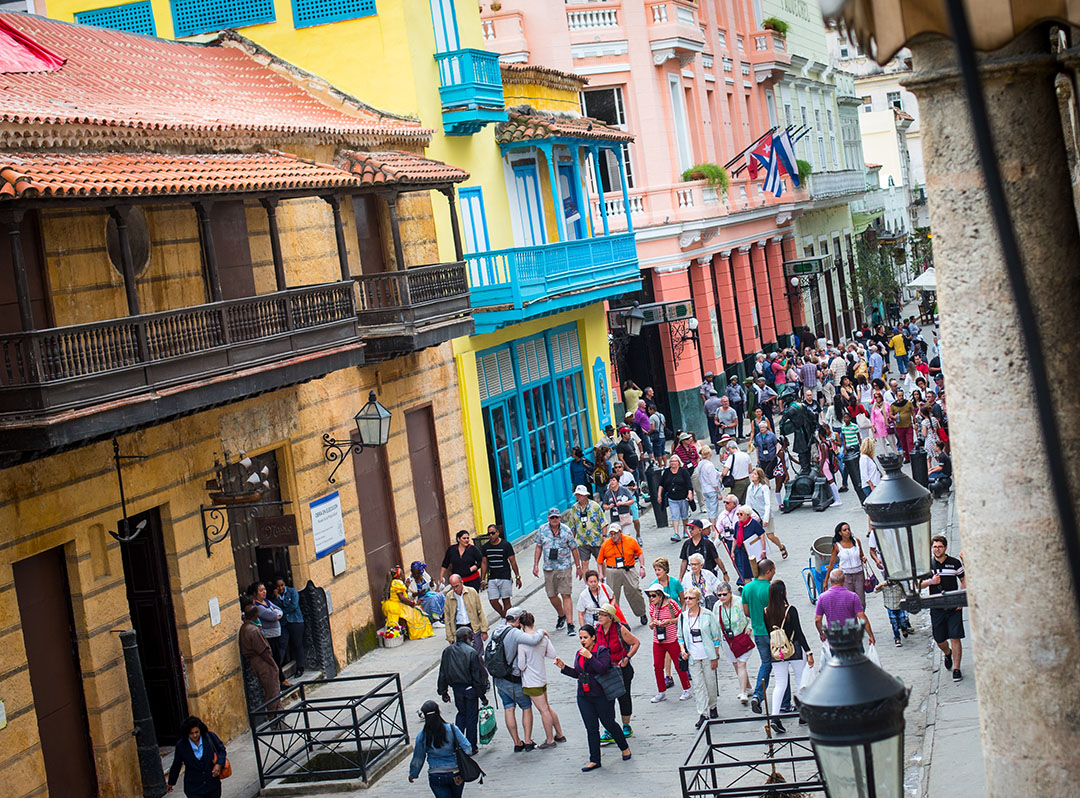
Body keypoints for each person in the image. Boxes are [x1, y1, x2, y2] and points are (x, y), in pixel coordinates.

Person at [554, 624, 632, 771]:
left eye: (585, 637)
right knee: (591, 728)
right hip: (584, 695)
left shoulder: (601, 651)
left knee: (609, 723)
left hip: (601, 694)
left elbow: (602, 669)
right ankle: (594, 759)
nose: (583, 641)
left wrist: (590, 657)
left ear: (593, 638)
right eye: (581, 638)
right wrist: (564, 667)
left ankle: (624, 747)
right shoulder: (579, 653)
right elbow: (578, 673)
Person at [491, 607, 546, 752]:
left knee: (508, 708)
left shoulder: (496, 630)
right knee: (526, 707)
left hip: (499, 678)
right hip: (512, 678)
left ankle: (516, 742)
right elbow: (534, 639)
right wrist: (542, 632)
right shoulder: (514, 633)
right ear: (517, 619)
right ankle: (527, 741)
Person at [762, 580, 813, 732]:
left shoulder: (766, 612)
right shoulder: (790, 610)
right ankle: (803, 714)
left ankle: (775, 716)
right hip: (795, 648)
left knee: (780, 684)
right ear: (783, 593)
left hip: (777, 651)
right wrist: (809, 651)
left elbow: (768, 632)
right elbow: (799, 632)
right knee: (800, 680)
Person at [514, 611, 565, 749]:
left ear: (522, 625)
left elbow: (521, 665)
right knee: (547, 707)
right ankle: (559, 733)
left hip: (531, 681)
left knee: (543, 710)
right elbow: (552, 654)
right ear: (533, 623)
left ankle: (549, 740)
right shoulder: (543, 638)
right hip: (542, 677)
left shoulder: (523, 642)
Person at [920, 536, 966, 681]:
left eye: (940, 546)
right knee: (939, 638)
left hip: (953, 605)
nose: (937, 549)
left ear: (945, 548)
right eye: (935, 547)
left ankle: (957, 669)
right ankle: (947, 653)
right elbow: (917, 584)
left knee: (955, 636)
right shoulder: (927, 565)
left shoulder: (954, 563)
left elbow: (963, 579)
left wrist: (961, 598)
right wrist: (930, 582)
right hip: (937, 606)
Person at [677, 586, 723, 728]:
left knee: (710, 683)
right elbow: (680, 636)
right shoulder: (683, 616)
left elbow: (716, 635)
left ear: (698, 600)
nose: (688, 601)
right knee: (697, 685)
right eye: (686, 598)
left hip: (707, 654)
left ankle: (713, 705)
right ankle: (703, 713)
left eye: (691, 598)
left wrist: (715, 654)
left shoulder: (708, 615)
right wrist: (682, 650)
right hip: (692, 656)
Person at [595, 603, 640, 743]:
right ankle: (610, 728)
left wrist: (627, 658)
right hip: (605, 669)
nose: (600, 617)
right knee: (607, 700)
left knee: (624, 696)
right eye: (599, 614)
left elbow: (636, 643)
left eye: (603, 614)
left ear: (610, 617)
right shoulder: (597, 630)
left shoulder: (620, 629)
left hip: (621, 668)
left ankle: (626, 725)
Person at [408, 700, 472, 798]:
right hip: (455, 772)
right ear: (439, 712)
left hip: (436, 774)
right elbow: (468, 748)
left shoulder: (422, 736)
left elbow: (418, 757)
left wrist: (413, 774)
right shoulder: (452, 729)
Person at [437, 627, 489, 749]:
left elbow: (442, 673)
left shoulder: (448, 651)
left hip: (457, 689)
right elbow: (477, 677)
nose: (472, 638)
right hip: (470, 689)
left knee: (461, 715)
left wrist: (443, 691)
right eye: (471, 636)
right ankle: (471, 745)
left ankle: (458, 743)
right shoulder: (471, 652)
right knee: (471, 717)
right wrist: (482, 695)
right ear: (466, 637)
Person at [534, 507, 583, 635]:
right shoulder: (542, 530)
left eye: (557, 517)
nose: (554, 520)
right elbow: (538, 547)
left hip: (564, 567)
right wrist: (535, 565)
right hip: (549, 568)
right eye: (552, 518)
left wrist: (578, 567)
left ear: (560, 518)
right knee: (551, 595)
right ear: (548, 519)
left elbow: (574, 549)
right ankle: (561, 614)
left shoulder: (566, 531)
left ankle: (570, 623)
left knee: (566, 594)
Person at [645, 582, 691, 702]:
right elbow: (650, 624)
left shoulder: (671, 604)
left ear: (660, 595)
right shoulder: (652, 607)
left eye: (653, 596)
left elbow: (681, 618)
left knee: (678, 664)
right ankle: (661, 691)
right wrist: (653, 623)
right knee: (657, 666)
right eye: (650, 596)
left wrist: (669, 621)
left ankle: (686, 689)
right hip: (658, 640)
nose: (651, 598)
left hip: (672, 639)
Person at [597, 523, 648, 625]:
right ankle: (616, 619)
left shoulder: (630, 540)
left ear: (620, 532)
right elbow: (600, 561)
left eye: (615, 533)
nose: (613, 536)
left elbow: (640, 553)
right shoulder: (606, 544)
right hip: (612, 570)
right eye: (611, 534)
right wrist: (601, 574)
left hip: (628, 569)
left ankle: (641, 612)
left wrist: (642, 567)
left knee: (634, 590)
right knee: (612, 596)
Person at [743, 558, 776, 715]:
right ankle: (783, 701)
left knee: (766, 663)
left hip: (758, 631)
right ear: (768, 571)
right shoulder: (770, 588)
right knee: (780, 664)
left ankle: (758, 694)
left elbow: (746, 612)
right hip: (773, 632)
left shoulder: (747, 588)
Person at [238, 605, 284, 711]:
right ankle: (274, 715)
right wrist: (273, 664)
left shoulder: (244, 627)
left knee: (270, 688)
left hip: (256, 660)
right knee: (272, 689)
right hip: (261, 661)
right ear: (255, 615)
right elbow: (262, 650)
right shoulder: (253, 630)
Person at [166, 716, 226, 797]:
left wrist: (218, 764)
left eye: (196, 732)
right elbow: (177, 764)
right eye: (191, 733)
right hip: (193, 788)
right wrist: (171, 782)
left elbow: (222, 750)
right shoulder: (181, 745)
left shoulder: (210, 737)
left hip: (212, 785)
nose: (194, 735)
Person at [814, 568, 876, 645]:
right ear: (844, 580)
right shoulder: (853, 596)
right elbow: (862, 617)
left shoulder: (822, 597)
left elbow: (817, 620)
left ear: (830, 580)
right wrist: (871, 635)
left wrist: (821, 633)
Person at [715, 581, 753, 703]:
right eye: (719, 595)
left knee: (741, 663)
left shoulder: (739, 602)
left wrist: (750, 627)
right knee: (736, 664)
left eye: (724, 594)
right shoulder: (717, 606)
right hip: (728, 640)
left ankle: (742, 692)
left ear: (730, 593)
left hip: (742, 637)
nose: (722, 597)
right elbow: (714, 623)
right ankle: (748, 687)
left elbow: (751, 614)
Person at [443, 575, 488, 666]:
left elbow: (480, 611)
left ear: (462, 583)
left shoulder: (471, 592)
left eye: (457, 586)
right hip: (459, 628)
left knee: (478, 655)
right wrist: (450, 637)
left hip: (473, 626)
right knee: (463, 657)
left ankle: (482, 677)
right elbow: (447, 618)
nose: (455, 589)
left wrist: (484, 630)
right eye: (453, 587)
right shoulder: (449, 596)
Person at [736, 504, 786, 581]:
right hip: (744, 551)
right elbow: (735, 539)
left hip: (756, 550)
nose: (739, 516)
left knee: (761, 571)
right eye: (738, 514)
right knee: (746, 574)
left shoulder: (754, 523)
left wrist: (763, 550)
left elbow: (762, 535)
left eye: (741, 514)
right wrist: (733, 551)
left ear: (748, 515)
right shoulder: (737, 525)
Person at [480, 524, 520, 618]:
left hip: (505, 576)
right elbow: (484, 563)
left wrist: (517, 576)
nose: (491, 535)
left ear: (497, 533)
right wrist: (482, 579)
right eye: (489, 534)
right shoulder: (485, 547)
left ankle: (508, 621)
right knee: (492, 600)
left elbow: (513, 561)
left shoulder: (506, 545)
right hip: (492, 577)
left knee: (506, 601)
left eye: (493, 533)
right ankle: (505, 617)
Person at [383, 566, 434, 639]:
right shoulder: (398, 582)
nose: (404, 575)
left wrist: (406, 587)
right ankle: (418, 634)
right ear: (400, 576)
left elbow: (402, 595)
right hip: (396, 606)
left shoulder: (394, 582)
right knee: (417, 613)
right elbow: (402, 598)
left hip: (390, 605)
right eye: (403, 574)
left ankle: (395, 635)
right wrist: (413, 603)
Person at [246, 582, 285, 677]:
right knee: (274, 658)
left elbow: (279, 610)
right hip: (269, 635)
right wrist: (276, 614)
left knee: (279, 656)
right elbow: (272, 615)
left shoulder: (267, 602)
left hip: (276, 634)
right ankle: (280, 679)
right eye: (261, 591)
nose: (264, 592)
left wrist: (276, 614)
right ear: (255, 594)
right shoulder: (257, 607)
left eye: (264, 589)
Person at [826, 521, 868, 607]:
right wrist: (826, 580)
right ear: (840, 533)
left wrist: (863, 558)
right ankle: (852, 619)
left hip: (859, 574)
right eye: (845, 530)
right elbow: (831, 564)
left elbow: (861, 555)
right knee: (849, 601)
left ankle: (861, 617)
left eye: (848, 529)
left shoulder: (856, 541)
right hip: (846, 576)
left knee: (861, 601)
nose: (848, 531)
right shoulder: (837, 546)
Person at [271, 575, 305, 677]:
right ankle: (278, 669)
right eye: (278, 586)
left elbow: (293, 606)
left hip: (295, 621)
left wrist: (282, 612)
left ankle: (300, 667)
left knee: (297, 644)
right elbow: (275, 608)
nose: (281, 588)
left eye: (282, 585)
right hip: (283, 624)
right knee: (282, 644)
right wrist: (277, 598)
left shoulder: (292, 592)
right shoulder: (274, 597)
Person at [568, 485, 606, 571]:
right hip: (582, 540)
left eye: (580, 495)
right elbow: (572, 526)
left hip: (596, 539)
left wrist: (604, 536)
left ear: (585, 495)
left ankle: (603, 579)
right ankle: (587, 583)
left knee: (600, 561)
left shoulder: (595, 506)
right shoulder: (574, 508)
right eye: (577, 495)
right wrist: (571, 541)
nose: (578, 497)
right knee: (584, 562)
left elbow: (603, 522)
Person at [659, 454, 694, 543]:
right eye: (671, 461)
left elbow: (689, 483)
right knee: (675, 515)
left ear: (678, 462)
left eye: (674, 461)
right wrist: (659, 495)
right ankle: (676, 533)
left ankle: (685, 530)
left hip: (683, 497)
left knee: (684, 514)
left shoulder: (683, 471)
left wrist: (690, 493)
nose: (673, 463)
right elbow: (661, 484)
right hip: (672, 498)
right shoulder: (666, 472)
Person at [875, 579, 914, 647]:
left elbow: (907, 592)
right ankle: (897, 638)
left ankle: (904, 629)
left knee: (903, 621)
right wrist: (881, 585)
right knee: (894, 624)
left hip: (900, 606)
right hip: (890, 607)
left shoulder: (900, 585)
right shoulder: (884, 586)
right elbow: (875, 590)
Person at [409, 561, 446, 626]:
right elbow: (408, 595)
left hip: (428, 595)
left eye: (417, 573)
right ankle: (435, 620)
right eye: (414, 573)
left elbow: (433, 587)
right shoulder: (409, 580)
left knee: (441, 596)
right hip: (419, 601)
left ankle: (443, 616)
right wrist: (417, 593)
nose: (416, 575)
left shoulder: (425, 575)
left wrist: (431, 584)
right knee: (433, 599)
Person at [838, 412, 864, 500]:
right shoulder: (843, 427)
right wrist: (844, 449)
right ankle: (845, 483)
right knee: (846, 466)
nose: (845, 419)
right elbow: (844, 439)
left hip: (855, 446)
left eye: (847, 418)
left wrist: (861, 447)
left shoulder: (855, 426)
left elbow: (858, 437)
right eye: (844, 418)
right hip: (848, 447)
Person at [696, 443, 722, 525]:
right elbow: (713, 480)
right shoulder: (709, 465)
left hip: (705, 489)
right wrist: (718, 492)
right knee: (713, 510)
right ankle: (714, 527)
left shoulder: (700, 464)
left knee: (710, 508)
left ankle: (711, 524)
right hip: (711, 489)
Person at [890, 388, 917, 462]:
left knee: (910, 441)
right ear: (896, 396)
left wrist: (915, 422)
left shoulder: (908, 403)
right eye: (899, 396)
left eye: (902, 395)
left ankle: (912, 456)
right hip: (899, 426)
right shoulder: (893, 405)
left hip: (908, 425)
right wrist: (894, 417)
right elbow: (890, 415)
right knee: (903, 442)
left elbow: (913, 412)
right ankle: (907, 457)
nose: (901, 397)